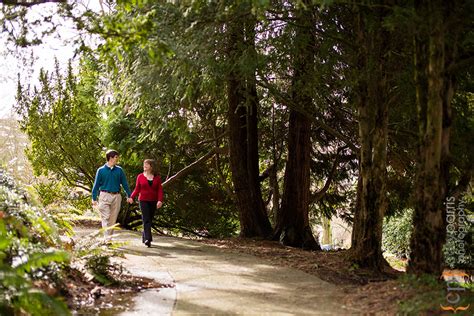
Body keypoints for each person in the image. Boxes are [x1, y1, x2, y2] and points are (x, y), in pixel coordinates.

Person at [92, 149, 132, 237]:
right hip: (104, 195)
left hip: (116, 196)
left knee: (112, 219)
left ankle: (108, 238)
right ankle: (106, 239)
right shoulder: (101, 170)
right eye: (116, 157)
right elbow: (96, 185)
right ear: (110, 158)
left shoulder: (119, 170)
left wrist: (129, 195)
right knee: (105, 217)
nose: (117, 159)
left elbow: (125, 184)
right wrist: (94, 198)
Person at [128, 159, 163, 247]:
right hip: (143, 200)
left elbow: (160, 190)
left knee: (149, 220)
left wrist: (160, 200)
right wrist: (131, 197)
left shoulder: (157, 178)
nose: (144, 166)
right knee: (146, 219)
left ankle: (144, 237)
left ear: (151, 166)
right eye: (144, 164)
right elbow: (137, 189)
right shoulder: (140, 176)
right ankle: (148, 239)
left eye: (146, 164)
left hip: (153, 201)